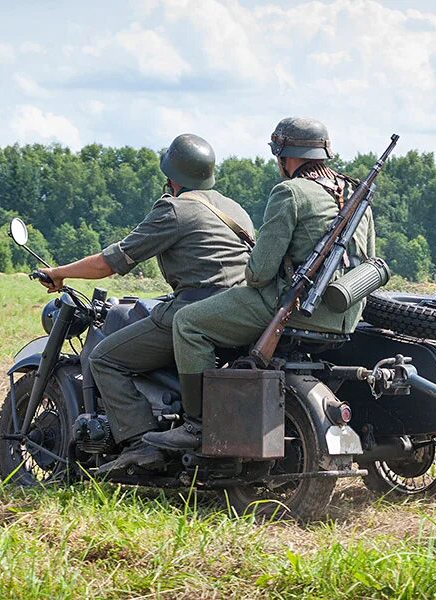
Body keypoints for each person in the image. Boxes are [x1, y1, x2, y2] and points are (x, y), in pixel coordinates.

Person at [143, 117, 375, 451]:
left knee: (188, 322)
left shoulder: (290, 193)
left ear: (285, 157)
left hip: (291, 308)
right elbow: (367, 260)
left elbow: (259, 274)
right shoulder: (355, 194)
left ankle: (195, 425)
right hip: (343, 315)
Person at [38, 133, 254, 473]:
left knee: (104, 358)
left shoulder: (175, 210)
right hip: (240, 313)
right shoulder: (234, 209)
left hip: (194, 311)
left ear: (171, 177)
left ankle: (141, 443)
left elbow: (110, 262)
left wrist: (60, 272)